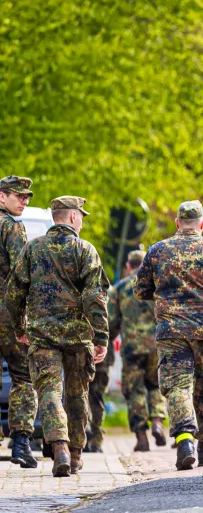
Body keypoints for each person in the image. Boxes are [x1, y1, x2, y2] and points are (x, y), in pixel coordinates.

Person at [134, 200, 203, 471]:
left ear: (177, 223)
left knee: (177, 387)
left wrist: (164, 296)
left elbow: (140, 290)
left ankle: (185, 440)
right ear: (202, 223)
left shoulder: (158, 251)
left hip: (171, 331)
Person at [5, 195, 109, 477]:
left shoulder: (32, 249)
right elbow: (94, 297)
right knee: (77, 394)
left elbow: (14, 294)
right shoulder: (85, 250)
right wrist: (101, 336)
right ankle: (75, 455)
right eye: (82, 217)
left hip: (42, 337)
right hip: (78, 337)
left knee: (50, 392)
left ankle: (59, 447)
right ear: (74, 217)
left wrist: (19, 327)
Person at [109, 249, 167, 452]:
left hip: (131, 348)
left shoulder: (119, 288)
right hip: (156, 345)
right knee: (156, 386)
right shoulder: (156, 286)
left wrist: (106, 340)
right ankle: (158, 423)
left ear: (128, 266)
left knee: (134, 391)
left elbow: (112, 322)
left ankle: (141, 438)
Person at [0, 176, 38, 469]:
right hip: (8, 316)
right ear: (2, 197)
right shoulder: (12, 227)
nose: (24, 201)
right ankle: (22, 443)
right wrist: (24, 320)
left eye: (26, 197)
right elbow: (21, 274)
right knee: (24, 377)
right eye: (19, 196)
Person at [85, 337, 115, 453]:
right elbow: (114, 325)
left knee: (79, 394)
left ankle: (84, 436)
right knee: (97, 398)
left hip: (82, 351)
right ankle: (96, 439)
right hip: (102, 355)